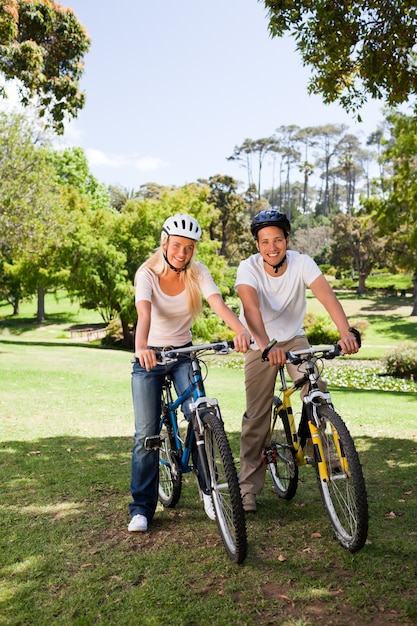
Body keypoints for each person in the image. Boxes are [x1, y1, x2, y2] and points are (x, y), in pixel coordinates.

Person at [128, 213, 251, 532]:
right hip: (150, 356)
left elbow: (219, 305)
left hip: (184, 354)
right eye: (178, 245)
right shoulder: (147, 274)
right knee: (147, 434)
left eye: (189, 247)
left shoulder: (198, 273)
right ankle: (141, 508)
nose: (183, 253)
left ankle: (209, 489)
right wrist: (141, 348)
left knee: (200, 418)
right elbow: (144, 313)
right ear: (165, 243)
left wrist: (241, 331)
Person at [235, 209, 360, 513]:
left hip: (293, 338)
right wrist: (265, 346)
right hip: (259, 341)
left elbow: (327, 297)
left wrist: (346, 333)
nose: (272, 247)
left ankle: (327, 456)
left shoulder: (302, 263)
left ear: (287, 240)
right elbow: (251, 310)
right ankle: (247, 487)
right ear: (257, 245)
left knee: (315, 388)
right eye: (265, 241)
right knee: (257, 414)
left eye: (278, 239)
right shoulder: (247, 268)